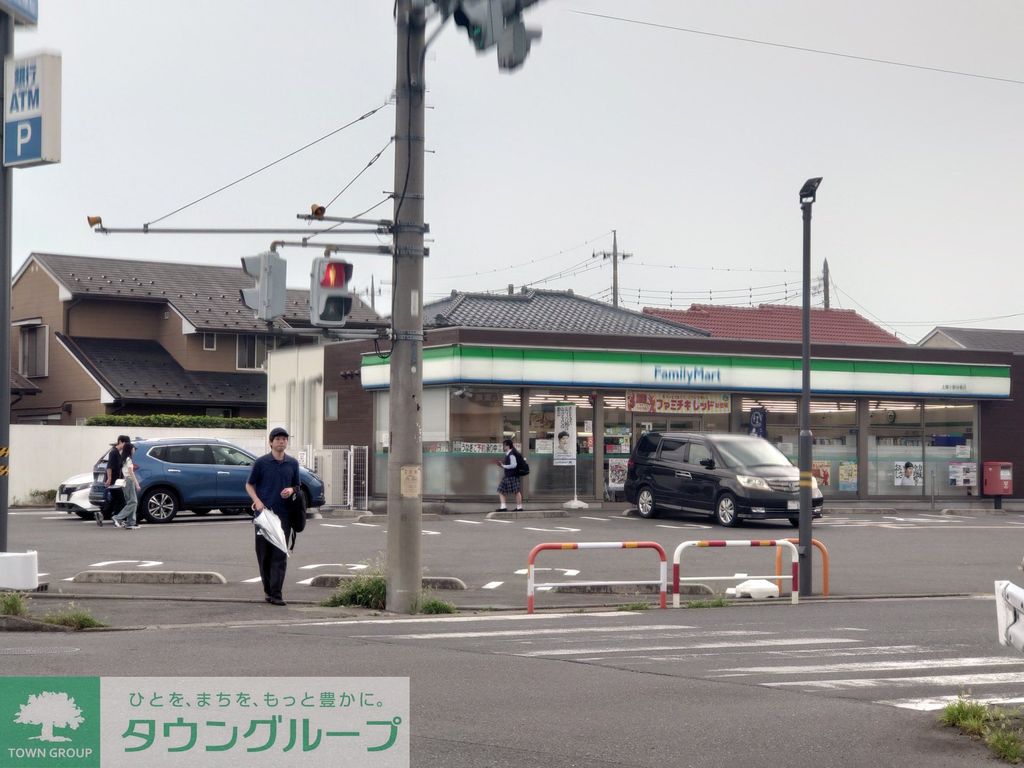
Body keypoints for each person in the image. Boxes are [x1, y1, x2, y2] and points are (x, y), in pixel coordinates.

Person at [245, 427, 300, 607]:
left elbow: (297, 486)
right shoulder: (261, 463)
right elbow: (249, 485)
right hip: (263, 516)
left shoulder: (292, 463)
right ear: (270, 442)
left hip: (284, 516)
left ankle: (277, 594)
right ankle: (268, 590)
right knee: (264, 556)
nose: (281, 442)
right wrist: (257, 501)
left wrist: (291, 489)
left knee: (279, 555)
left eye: (284, 439)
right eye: (277, 439)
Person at [111, 439, 141, 529]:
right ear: (129, 449)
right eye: (133, 448)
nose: (134, 450)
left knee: (130, 502)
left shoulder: (124, 459)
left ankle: (131, 522)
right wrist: (137, 484)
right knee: (133, 502)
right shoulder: (128, 459)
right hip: (129, 481)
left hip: (125, 482)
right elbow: (130, 472)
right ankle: (117, 518)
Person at [99, 435, 127, 526]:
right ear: (120, 442)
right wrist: (109, 478)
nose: (126, 446)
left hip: (116, 481)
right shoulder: (113, 452)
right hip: (113, 481)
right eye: (125, 443)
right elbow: (109, 466)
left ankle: (102, 514)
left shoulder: (118, 453)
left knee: (115, 500)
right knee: (121, 500)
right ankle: (116, 518)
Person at [494, 438, 524, 512]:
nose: (503, 447)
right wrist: (502, 464)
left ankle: (517, 507)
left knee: (514, 491)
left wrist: (503, 466)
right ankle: (506, 507)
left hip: (512, 475)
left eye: (504, 445)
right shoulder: (509, 453)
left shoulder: (512, 454)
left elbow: (514, 465)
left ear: (508, 446)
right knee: (503, 490)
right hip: (509, 475)